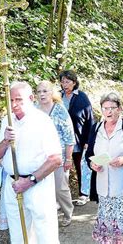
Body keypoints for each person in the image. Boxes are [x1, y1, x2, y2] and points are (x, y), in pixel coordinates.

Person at [0, 82, 62, 243]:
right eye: (10, 100)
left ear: (30, 98)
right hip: (13, 185)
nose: (14, 105)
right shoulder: (6, 121)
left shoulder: (42, 121)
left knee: (45, 235)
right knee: (18, 235)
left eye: (18, 99)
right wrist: (5, 141)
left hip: (38, 185)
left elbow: (56, 159)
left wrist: (30, 181)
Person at [86, 92, 123, 243]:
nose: (109, 111)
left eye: (112, 107)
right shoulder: (96, 128)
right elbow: (89, 154)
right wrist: (92, 164)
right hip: (103, 188)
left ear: (119, 109)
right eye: (105, 108)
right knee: (107, 230)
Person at [36, 80, 75, 227]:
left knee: (60, 187)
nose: (42, 94)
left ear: (51, 93)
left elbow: (69, 137)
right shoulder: (34, 110)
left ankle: (67, 213)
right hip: (39, 157)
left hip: (58, 157)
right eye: (39, 92)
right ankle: (45, 215)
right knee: (40, 187)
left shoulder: (60, 110)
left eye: (45, 91)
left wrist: (69, 159)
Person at [59, 70, 95, 206]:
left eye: (67, 81)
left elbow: (90, 120)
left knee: (81, 166)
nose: (64, 84)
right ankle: (62, 197)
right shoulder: (58, 96)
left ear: (74, 83)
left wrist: (88, 140)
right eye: (62, 81)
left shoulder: (82, 97)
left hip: (79, 139)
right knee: (61, 169)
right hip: (61, 140)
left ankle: (83, 193)